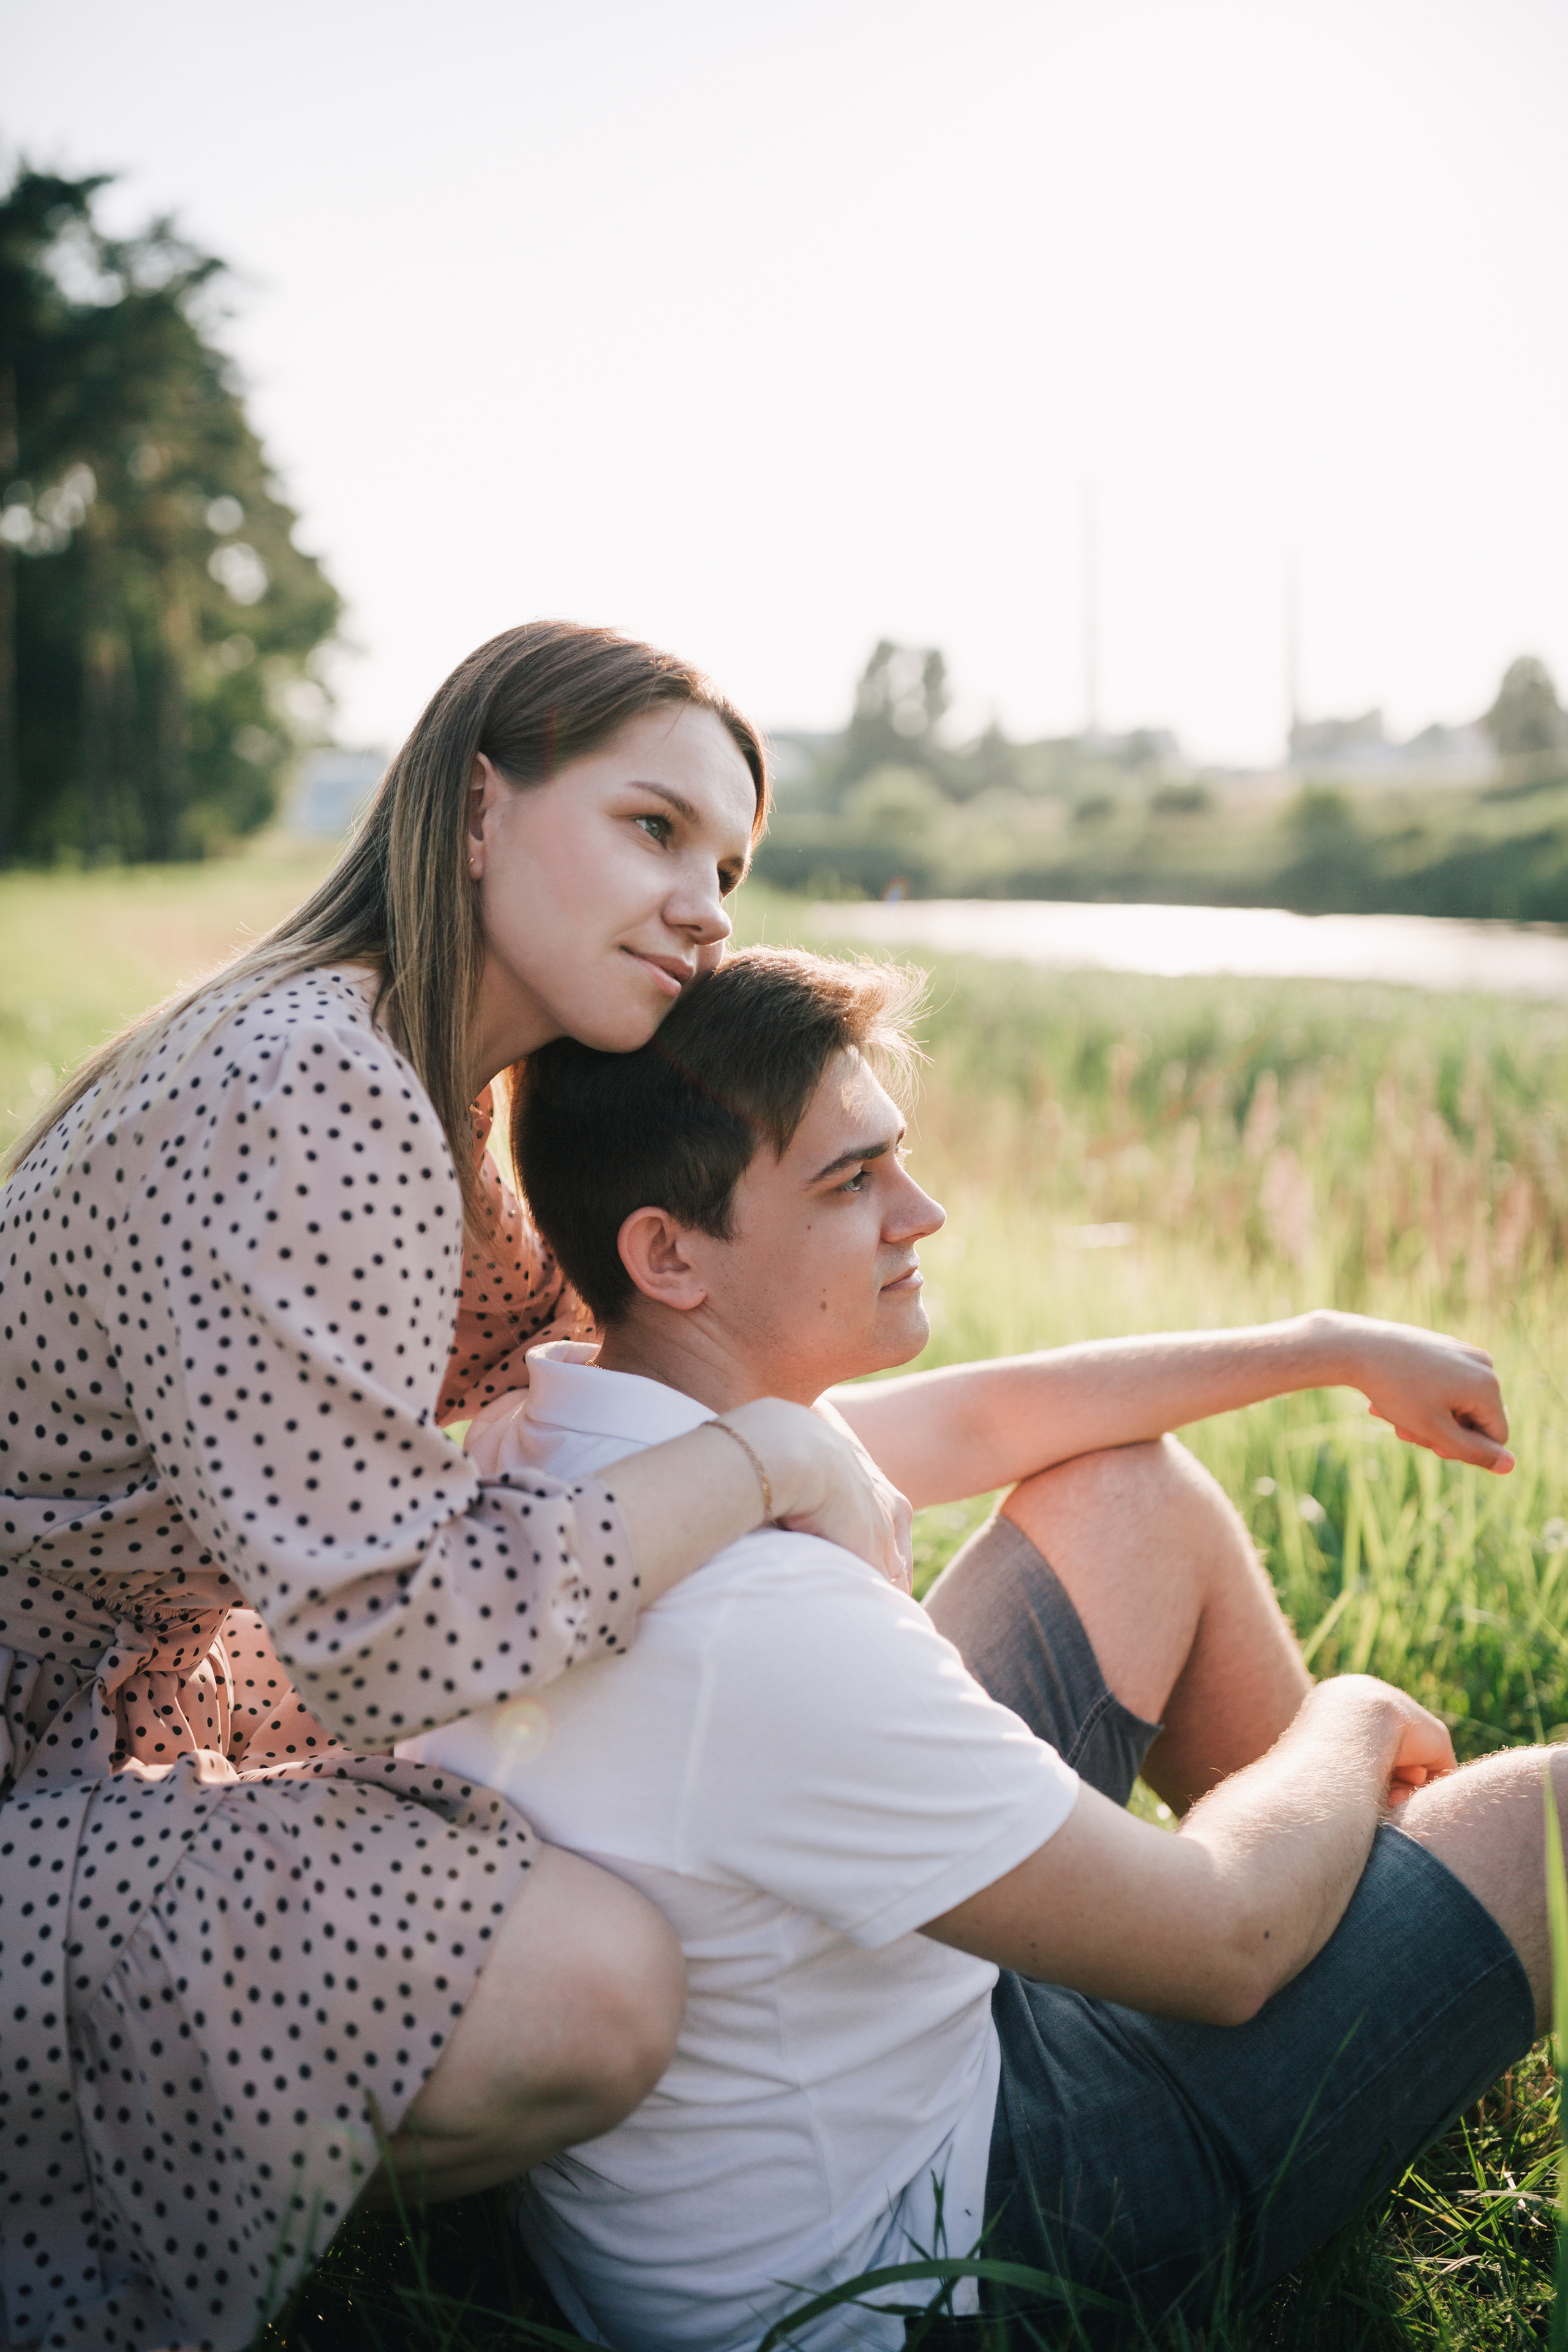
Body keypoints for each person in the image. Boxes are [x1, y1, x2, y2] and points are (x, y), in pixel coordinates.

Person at [406, 946, 1542, 2352]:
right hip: (930, 2262)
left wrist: (1323, 1347)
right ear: (668, 1253)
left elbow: (987, 1423)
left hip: (814, 2100)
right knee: (1535, 1815)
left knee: (1126, 1493)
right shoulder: (759, 1637)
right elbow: (1225, 1943)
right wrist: (1356, 1718)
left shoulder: (568, 1447)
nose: (919, 1212)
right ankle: (1396, 1968)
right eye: (849, 1184)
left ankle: (1385, 1979)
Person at [0, 625, 912, 2352]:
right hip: (35, 1761)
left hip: (123, 1711)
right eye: (654, 828)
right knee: (591, 1989)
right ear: (481, 806)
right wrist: (769, 1456)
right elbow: (389, 1637)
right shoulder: (315, 1082)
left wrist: (1287, 1348)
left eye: (729, 864)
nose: (711, 904)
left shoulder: (458, 1108)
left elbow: (669, 1430)